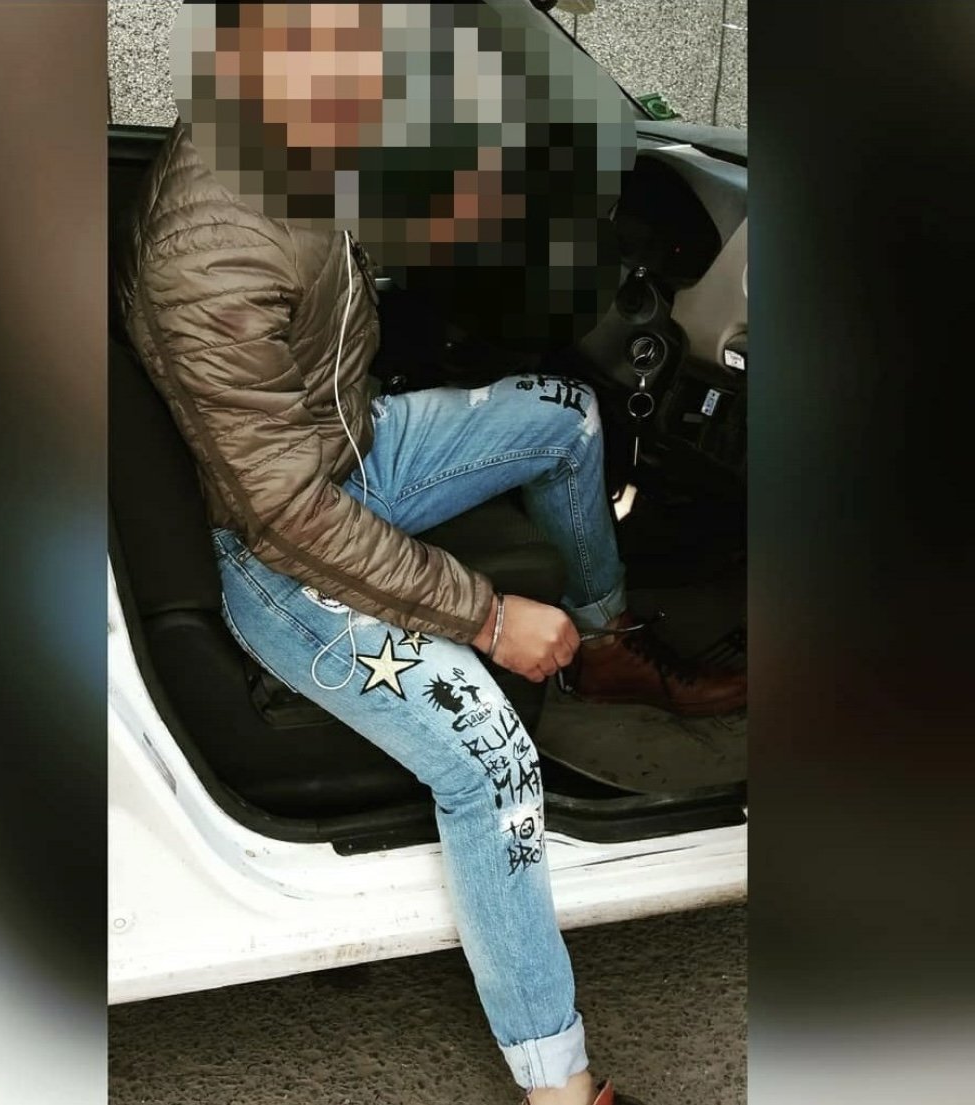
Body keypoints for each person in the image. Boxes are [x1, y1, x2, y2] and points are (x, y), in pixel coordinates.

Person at [116, 8, 744, 1103]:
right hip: (278, 550)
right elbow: (284, 516)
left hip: (341, 448)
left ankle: (603, 649)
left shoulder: (289, 134)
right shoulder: (212, 253)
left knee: (567, 416)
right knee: (491, 759)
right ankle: (560, 1087)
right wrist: (490, 617)